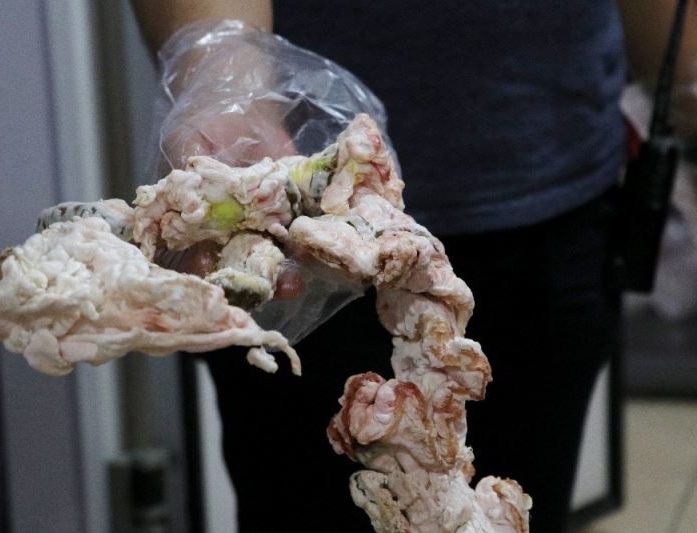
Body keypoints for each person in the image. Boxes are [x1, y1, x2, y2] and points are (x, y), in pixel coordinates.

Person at [130, 1, 697, 532]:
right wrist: (224, 75)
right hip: (306, 226)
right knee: (312, 500)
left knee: (523, 502)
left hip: (560, 195)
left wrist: (688, 74)